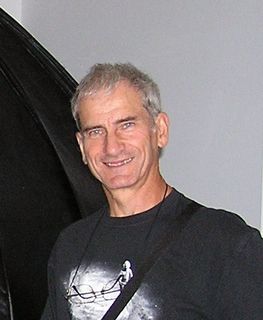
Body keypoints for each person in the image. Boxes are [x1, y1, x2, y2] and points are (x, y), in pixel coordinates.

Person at [41, 63, 263, 320]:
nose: (111, 147)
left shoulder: (225, 242)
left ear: (161, 130)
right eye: (96, 131)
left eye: (126, 125)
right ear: (81, 146)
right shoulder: (71, 245)